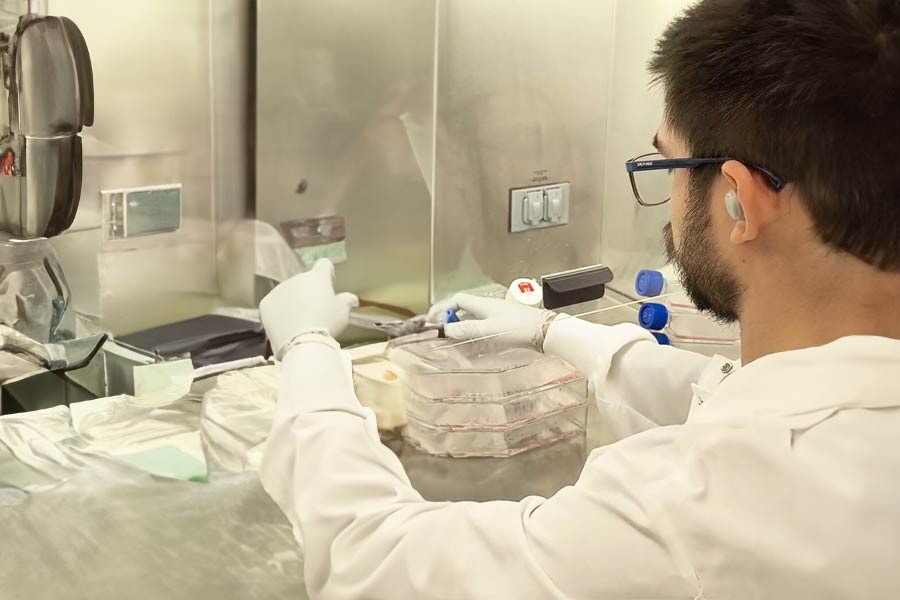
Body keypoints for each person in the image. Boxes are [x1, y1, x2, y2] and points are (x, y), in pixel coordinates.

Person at [257, 1, 900, 597]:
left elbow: (373, 560)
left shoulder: (691, 510)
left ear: (741, 200)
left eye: (666, 167)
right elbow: (739, 393)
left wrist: (305, 349)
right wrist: (554, 334)